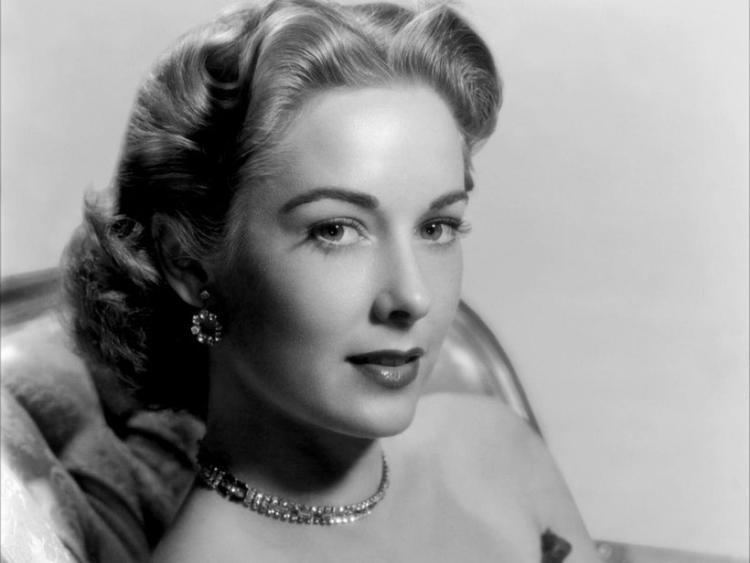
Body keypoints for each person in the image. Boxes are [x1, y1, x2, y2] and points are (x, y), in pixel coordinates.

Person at [64, 0, 601, 560]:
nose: (412, 297)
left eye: (437, 226)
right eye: (336, 230)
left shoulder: (494, 444)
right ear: (189, 263)